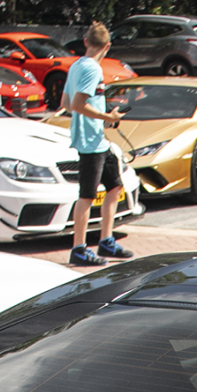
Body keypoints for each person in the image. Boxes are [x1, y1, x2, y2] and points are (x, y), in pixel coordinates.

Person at [64, 22, 132, 267]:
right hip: (89, 144)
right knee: (87, 196)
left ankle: (106, 240)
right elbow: (77, 105)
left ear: (85, 42)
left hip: (98, 140)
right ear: (107, 46)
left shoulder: (75, 66)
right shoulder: (92, 69)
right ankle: (79, 249)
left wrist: (101, 120)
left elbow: (65, 102)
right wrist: (109, 118)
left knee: (114, 187)